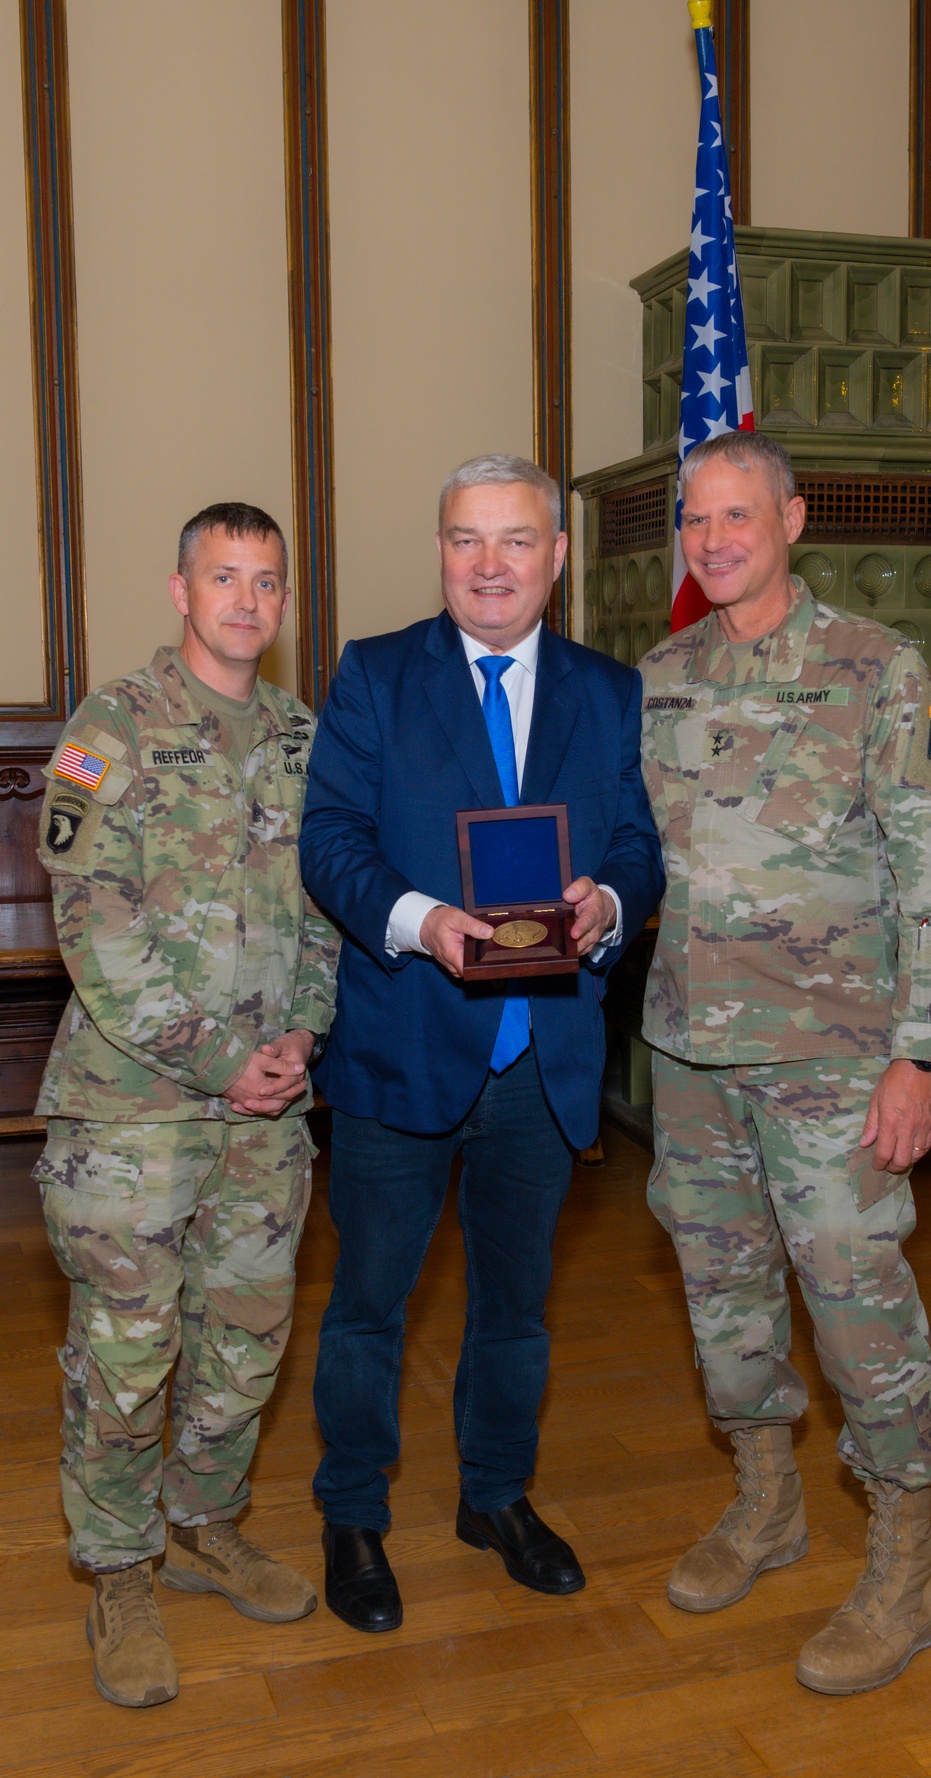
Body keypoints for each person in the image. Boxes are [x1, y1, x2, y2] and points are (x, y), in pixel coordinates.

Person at [639, 431, 931, 1695]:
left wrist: (920, 1055)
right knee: (724, 1299)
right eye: (696, 519)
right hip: (690, 1051)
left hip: (837, 1060)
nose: (715, 538)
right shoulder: (663, 673)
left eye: (739, 514)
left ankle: (907, 1562)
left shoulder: (879, 672)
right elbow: (643, 857)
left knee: (856, 1306)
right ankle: (767, 1501)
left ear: (792, 516)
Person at [300, 454, 664, 1631]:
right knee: (370, 1304)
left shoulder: (609, 691)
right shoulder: (376, 674)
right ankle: (352, 1514)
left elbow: (639, 841)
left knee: (515, 1307)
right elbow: (331, 839)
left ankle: (495, 1495)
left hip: (541, 1059)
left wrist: (610, 901)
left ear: (557, 556)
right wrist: (418, 920)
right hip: (402, 1046)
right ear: (441, 551)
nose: (490, 563)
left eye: (516, 540)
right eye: (466, 539)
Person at [34, 503, 341, 1709]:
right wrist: (222, 1058)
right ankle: (117, 1568)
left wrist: (305, 1029)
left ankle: (205, 1520)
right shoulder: (111, 729)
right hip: (136, 1111)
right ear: (180, 589)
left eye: (267, 580)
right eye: (225, 576)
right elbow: (92, 925)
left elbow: (324, 908)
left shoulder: (302, 735)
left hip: (271, 1106)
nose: (248, 600)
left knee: (246, 1333)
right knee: (126, 1353)